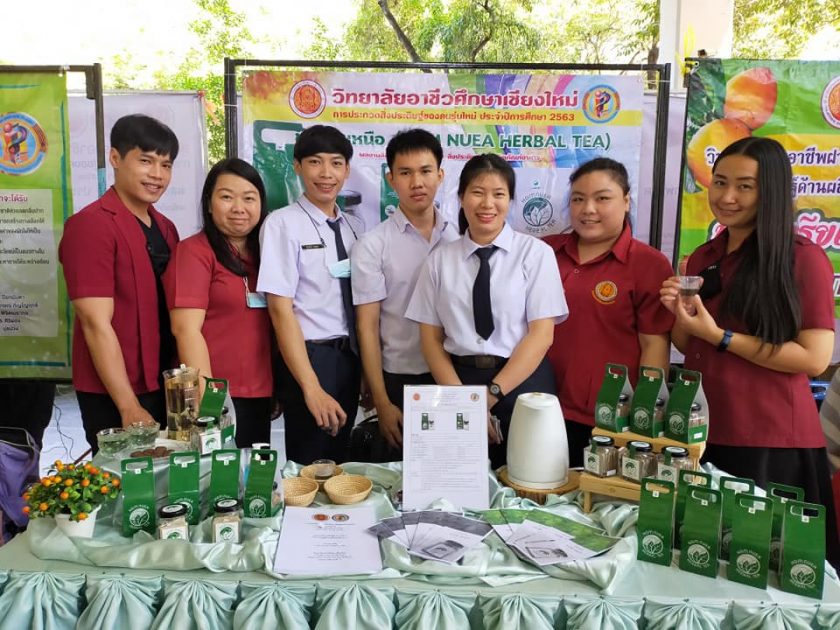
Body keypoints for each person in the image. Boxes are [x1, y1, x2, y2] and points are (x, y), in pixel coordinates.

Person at [660, 136, 839, 565]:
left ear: (770, 190)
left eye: (744, 186)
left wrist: (720, 335)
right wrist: (679, 313)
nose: (726, 197)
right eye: (720, 182)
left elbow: (814, 358)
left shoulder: (802, 258)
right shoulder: (703, 257)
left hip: (768, 437)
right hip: (703, 432)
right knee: (701, 560)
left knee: (766, 569)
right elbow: (687, 343)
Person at [406, 153, 568, 469]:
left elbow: (541, 335)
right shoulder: (439, 261)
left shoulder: (535, 254)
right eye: (478, 192)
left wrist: (489, 396)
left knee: (527, 480)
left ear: (511, 200)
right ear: (461, 197)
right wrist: (463, 403)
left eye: (499, 194)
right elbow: (430, 340)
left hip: (523, 382)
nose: (487, 204)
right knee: (460, 481)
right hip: (457, 382)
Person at [58, 114, 179, 453]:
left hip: (162, 383)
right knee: (126, 481)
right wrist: (128, 405)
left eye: (166, 165)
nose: (157, 175)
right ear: (115, 158)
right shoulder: (91, 225)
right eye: (146, 161)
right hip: (115, 392)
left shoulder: (166, 228)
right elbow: (95, 323)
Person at [544, 158, 674, 466]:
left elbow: (654, 345)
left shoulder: (648, 264)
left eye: (602, 198)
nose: (588, 209)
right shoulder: (544, 252)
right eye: (578, 199)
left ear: (626, 201)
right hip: (539, 406)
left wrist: (645, 416)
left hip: (608, 420)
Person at [257, 125, 363, 465]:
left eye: (336, 163)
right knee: (309, 467)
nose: (326, 173)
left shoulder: (354, 228)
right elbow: (280, 310)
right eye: (315, 162)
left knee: (343, 463)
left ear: (347, 170)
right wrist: (311, 387)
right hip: (310, 358)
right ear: (297, 166)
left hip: (349, 357)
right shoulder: (282, 224)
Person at [351, 129, 459, 457]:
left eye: (426, 171)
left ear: (440, 175)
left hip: (455, 377)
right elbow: (367, 327)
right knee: (400, 474)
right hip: (400, 379)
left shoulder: (458, 239)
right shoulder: (373, 245)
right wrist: (382, 401)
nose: (417, 182)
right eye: (405, 173)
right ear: (391, 179)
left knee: (450, 471)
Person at [163, 158, 273, 447]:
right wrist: (209, 402)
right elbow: (185, 329)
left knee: (251, 471)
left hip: (259, 393)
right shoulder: (194, 252)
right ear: (209, 204)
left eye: (249, 198)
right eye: (226, 197)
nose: (239, 208)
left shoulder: (266, 253)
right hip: (215, 398)